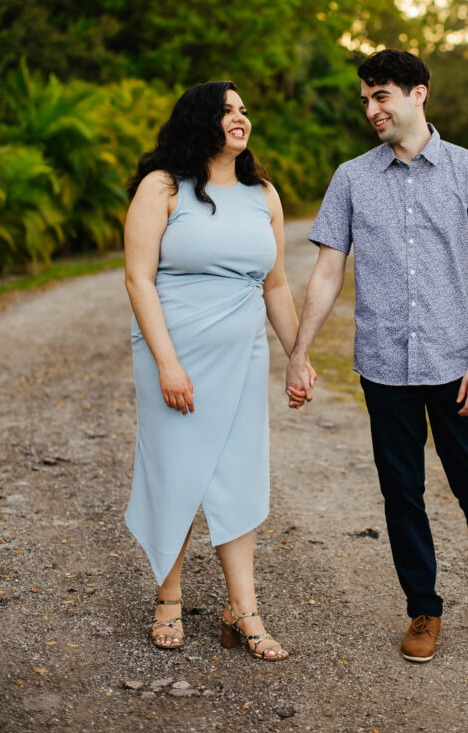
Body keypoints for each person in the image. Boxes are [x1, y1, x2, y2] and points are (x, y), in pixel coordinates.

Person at [285, 49, 468, 661]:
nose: (372, 109)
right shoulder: (351, 177)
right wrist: (299, 353)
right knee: (402, 493)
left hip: (456, 363)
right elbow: (327, 273)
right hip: (383, 365)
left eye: (381, 96)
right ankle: (423, 612)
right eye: (366, 99)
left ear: (418, 94)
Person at [124, 80, 313, 658]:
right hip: (174, 354)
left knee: (238, 473)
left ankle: (243, 610)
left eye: (244, 111)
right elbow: (139, 280)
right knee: (176, 470)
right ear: (199, 120)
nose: (240, 119)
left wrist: (296, 355)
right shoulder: (163, 188)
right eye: (227, 110)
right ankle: (169, 600)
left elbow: (276, 285)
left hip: (242, 358)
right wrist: (167, 364)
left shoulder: (264, 194)